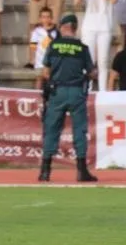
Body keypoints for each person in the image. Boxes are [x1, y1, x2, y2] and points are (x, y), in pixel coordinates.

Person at [39, 13, 98, 183]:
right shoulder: (82, 48)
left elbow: (45, 72)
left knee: (51, 130)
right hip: (76, 92)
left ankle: (45, 171)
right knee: (79, 130)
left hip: (57, 91)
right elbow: (92, 72)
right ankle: (81, 171)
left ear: (63, 27)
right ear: (75, 27)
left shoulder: (54, 45)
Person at [74, 0, 117, 91]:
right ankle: (88, 89)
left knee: (103, 61)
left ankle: (103, 90)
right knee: (89, 61)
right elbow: (76, 2)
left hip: (105, 28)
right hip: (89, 28)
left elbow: (114, 0)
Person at [29, 7, 58, 86]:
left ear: (51, 18)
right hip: (39, 61)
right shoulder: (36, 31)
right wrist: (32, 58)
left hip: (52, 61)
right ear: (40, 18)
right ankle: (37, 96)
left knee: (51, 79)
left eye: (48, 17)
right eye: (43, 17)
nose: (45, 19)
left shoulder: (56, 32)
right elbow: (33, 45)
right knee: (39, 78)